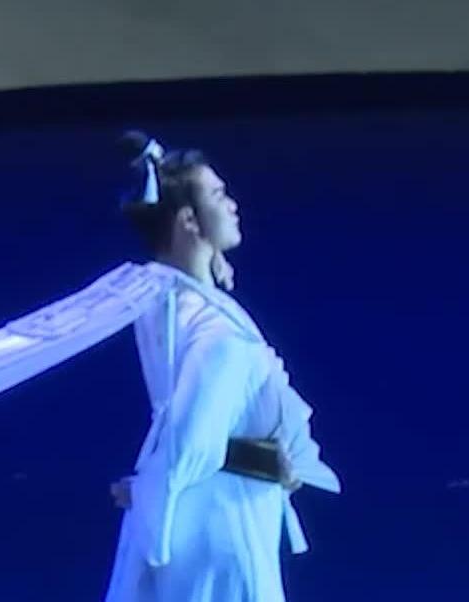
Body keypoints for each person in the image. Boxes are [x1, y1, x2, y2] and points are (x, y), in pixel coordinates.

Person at [103, 131, 341, 602]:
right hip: (220, 521)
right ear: (189, 220)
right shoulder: (213, 329)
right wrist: (153, 490)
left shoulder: (169, 304)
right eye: (217, 194)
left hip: (217, 509)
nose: (232, 204)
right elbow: (193, 436)